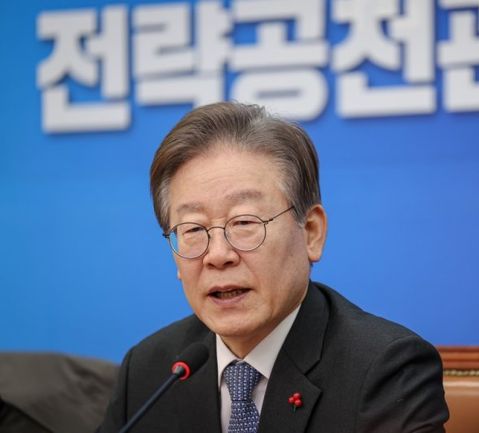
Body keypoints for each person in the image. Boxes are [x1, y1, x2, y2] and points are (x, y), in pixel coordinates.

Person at [98, 102, 448, 433]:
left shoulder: (385, 370)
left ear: (311, 232)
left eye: (244, 222)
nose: (218, 255)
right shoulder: (149, 372)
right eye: (193, 230)